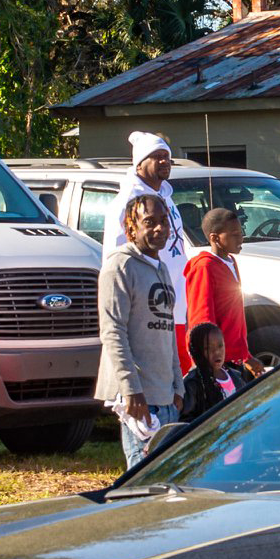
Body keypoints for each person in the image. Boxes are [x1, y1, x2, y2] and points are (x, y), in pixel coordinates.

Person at [100, 195, 183, 468]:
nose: (159, 229)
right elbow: (113, 331)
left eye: (163, 222)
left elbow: (168, 330)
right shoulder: (120, 266)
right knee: (144, 478)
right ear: (130, 228)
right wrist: (131, 389)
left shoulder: (161, 269)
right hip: (138, 398)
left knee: (167, 477)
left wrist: (178, 386)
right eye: (149, 222)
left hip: (166, 396)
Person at [102, 131, 189, 365]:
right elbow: (117, 258)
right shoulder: (127, 203)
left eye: (167, 157)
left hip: (174, 300)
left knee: (175, 373)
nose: (164, 161)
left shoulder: (166, 198)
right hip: (147, 306)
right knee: (151, 373)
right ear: (139, 164)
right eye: (157, 156)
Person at [185, 208, 264, 378]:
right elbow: (202, 318)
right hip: (216, 362)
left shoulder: (231, 261)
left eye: (241, 232)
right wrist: (210, 363)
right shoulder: (204, 267)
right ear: (215, 238)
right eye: (234, 234)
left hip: (234, 359)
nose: (241, 238)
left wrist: (246, 356)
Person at [179, 322, 255, 423]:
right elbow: (186, 421)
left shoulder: (235, 376)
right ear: (197, 351)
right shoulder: (192, 383)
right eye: (208, 348)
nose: (217, 352)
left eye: (220, 346)